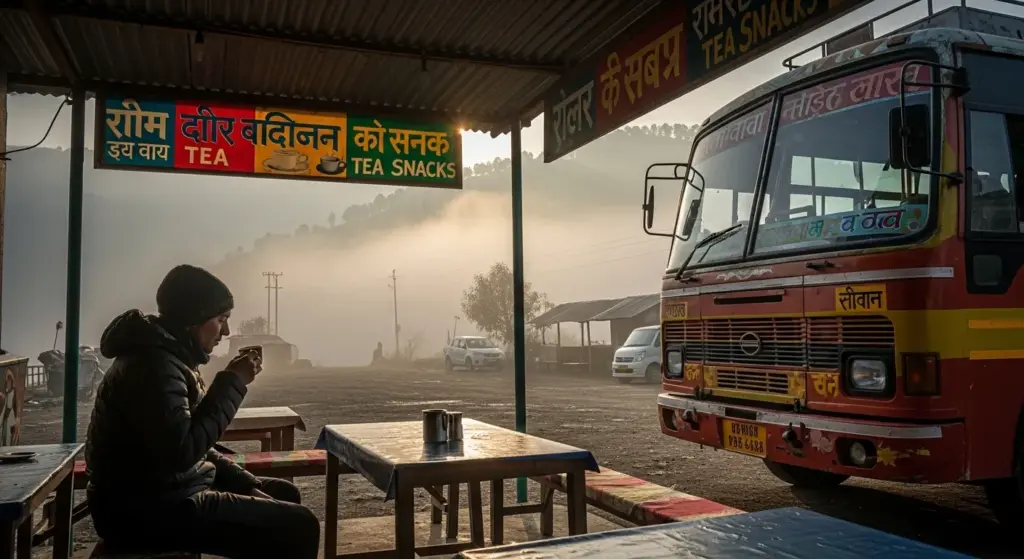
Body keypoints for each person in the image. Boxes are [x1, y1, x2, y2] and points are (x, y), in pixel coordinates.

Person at [85, 265, 320, 559]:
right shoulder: (154, 366)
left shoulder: (166, 357)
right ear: (192, 319)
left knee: (283, 494)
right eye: (221, 320)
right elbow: (183, 450)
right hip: (144, 510)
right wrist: (232, 383)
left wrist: (244, 482)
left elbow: (188, 444)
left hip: (162, 493)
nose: (226, 332)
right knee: (301, 525)